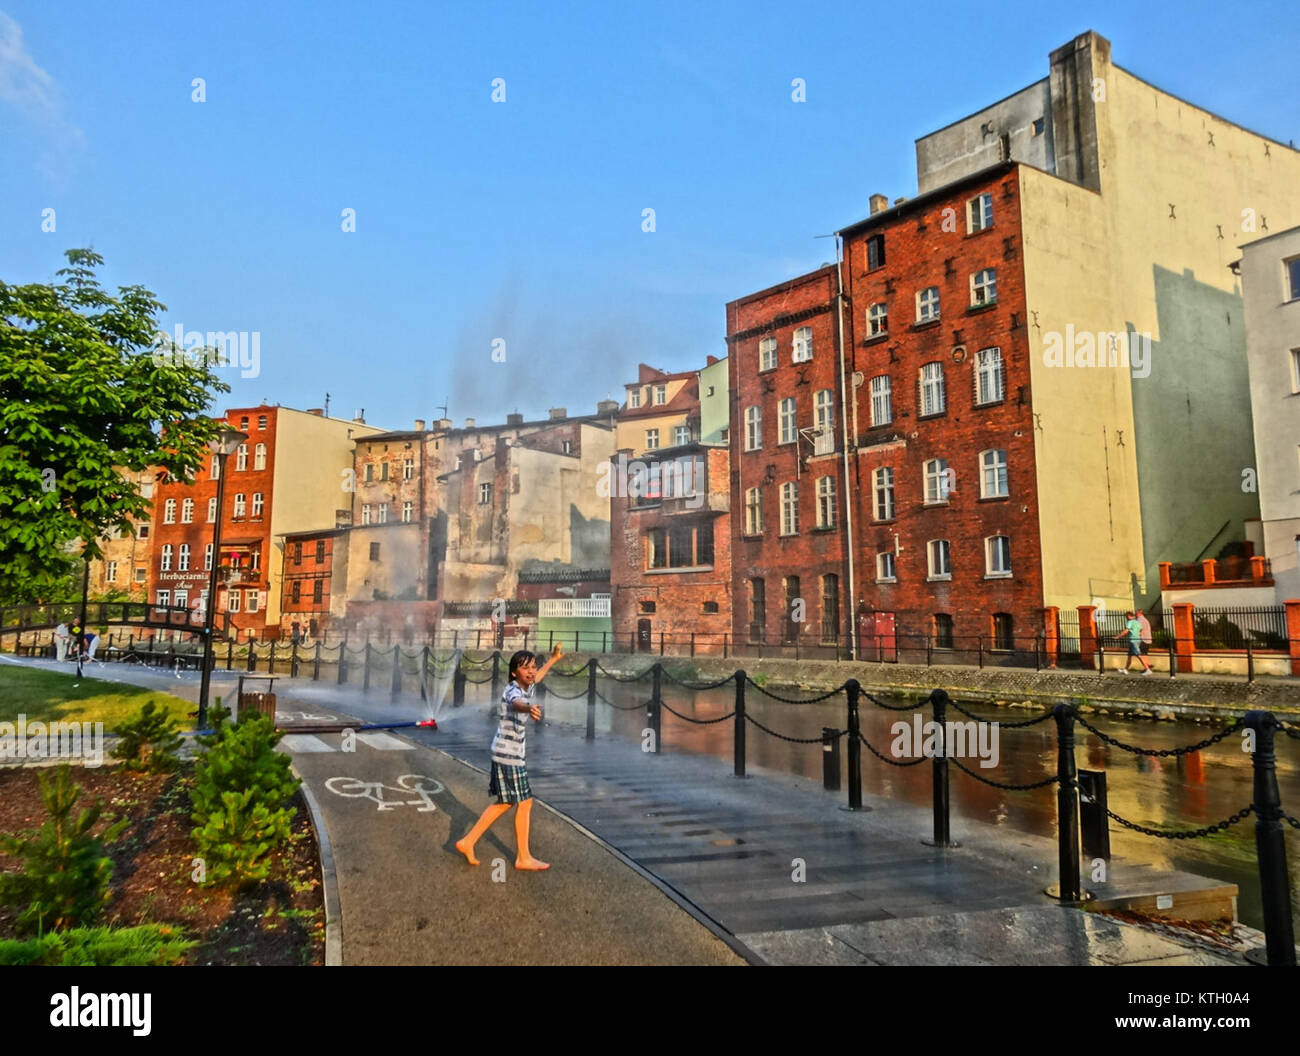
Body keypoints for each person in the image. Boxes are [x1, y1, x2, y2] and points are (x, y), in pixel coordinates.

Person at [455, 643, 564, 871]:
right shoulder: (514, 691)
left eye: (533, 667)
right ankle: (522, 857)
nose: (532, 671)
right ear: (514, 672)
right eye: (526, 668)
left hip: (507, 752)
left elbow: (538, 678)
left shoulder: (525, 686)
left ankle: (468, 842)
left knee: (507, 802)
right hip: (509, 754)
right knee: (522, 801)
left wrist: (554, 659)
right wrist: (529, 708)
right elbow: (517, 704)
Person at [1117, 610, 1151, 675]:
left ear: (1128, 616)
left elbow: (1126, 631)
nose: (1126, 618)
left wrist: (1118, 636)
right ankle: (1126, 669)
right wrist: (1138, 634)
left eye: (1126, 617)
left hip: (1133, 641)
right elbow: (1141, 629)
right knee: (1129, 655)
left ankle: (1147, 669)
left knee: (1139, 655)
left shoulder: (1130, 622)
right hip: (1138, 640)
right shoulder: (1137, 622)